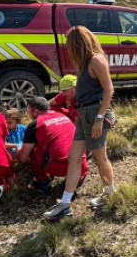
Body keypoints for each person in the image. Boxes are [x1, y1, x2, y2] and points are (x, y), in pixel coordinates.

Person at [43, 26, 116, 221]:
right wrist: (80, 114)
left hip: (95, 114)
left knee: (101, 158)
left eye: (70, 44)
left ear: (78, 43)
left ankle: (110, 194)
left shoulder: (96, 60)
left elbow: (109, 90)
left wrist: (99, 119)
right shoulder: (84, 63)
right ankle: (65, 204)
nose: (68, 49)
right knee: (73, 157)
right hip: (85, 114)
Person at [17, 97, 89, 194]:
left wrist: (18, 149)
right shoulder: (61, 115)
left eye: (28, 111)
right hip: (81, 163)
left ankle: (43, 180)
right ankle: (77, 178)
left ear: (35, 111)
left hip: (61, 166)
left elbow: (23, 158)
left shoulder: (35, 124)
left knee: (32, 151)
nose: (27, 114)